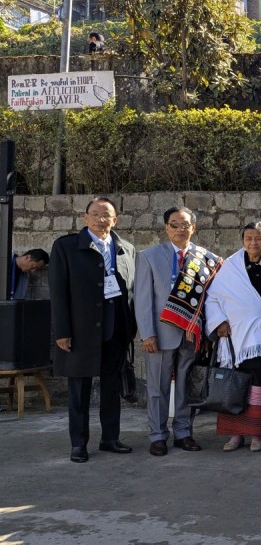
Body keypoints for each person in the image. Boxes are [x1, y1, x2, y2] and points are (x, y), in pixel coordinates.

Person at [49, 198, 134, 463]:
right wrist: (62, 331)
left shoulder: (125, 249)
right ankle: (78, 444)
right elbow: (58, 292)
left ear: (115, 220)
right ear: (85, 218)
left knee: (111, 388)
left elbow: (131, 291)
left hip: (115, 329)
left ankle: (110, 438)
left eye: (106, 215)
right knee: (79, 390)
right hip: (80, 330)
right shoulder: (66, 247)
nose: (101, 220)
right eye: (95, 215)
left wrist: (130, 329)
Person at [136, 207, 221, 456]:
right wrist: (147, 334)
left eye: (185, 225)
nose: (180, 230)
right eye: (174, 225)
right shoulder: (149, 256)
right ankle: (158, 435)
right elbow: (142, 299)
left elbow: (213, 298)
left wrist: (208, 332)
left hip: (191, 334)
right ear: (166, 227)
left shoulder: (205, 258)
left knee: (187, 386)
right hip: (160, 335)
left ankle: (184, 432)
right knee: (158, 387)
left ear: (193, 228)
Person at [205, 223, 261, 452]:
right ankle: (235, 435)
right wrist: (219, 323)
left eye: (258, 238)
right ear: (242, 241)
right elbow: (213, 297)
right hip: (234, 337)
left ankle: (257, 435)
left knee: (260, 386)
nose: (253, 243)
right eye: (249, 238)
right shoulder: (231, 267)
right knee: (233, 385)